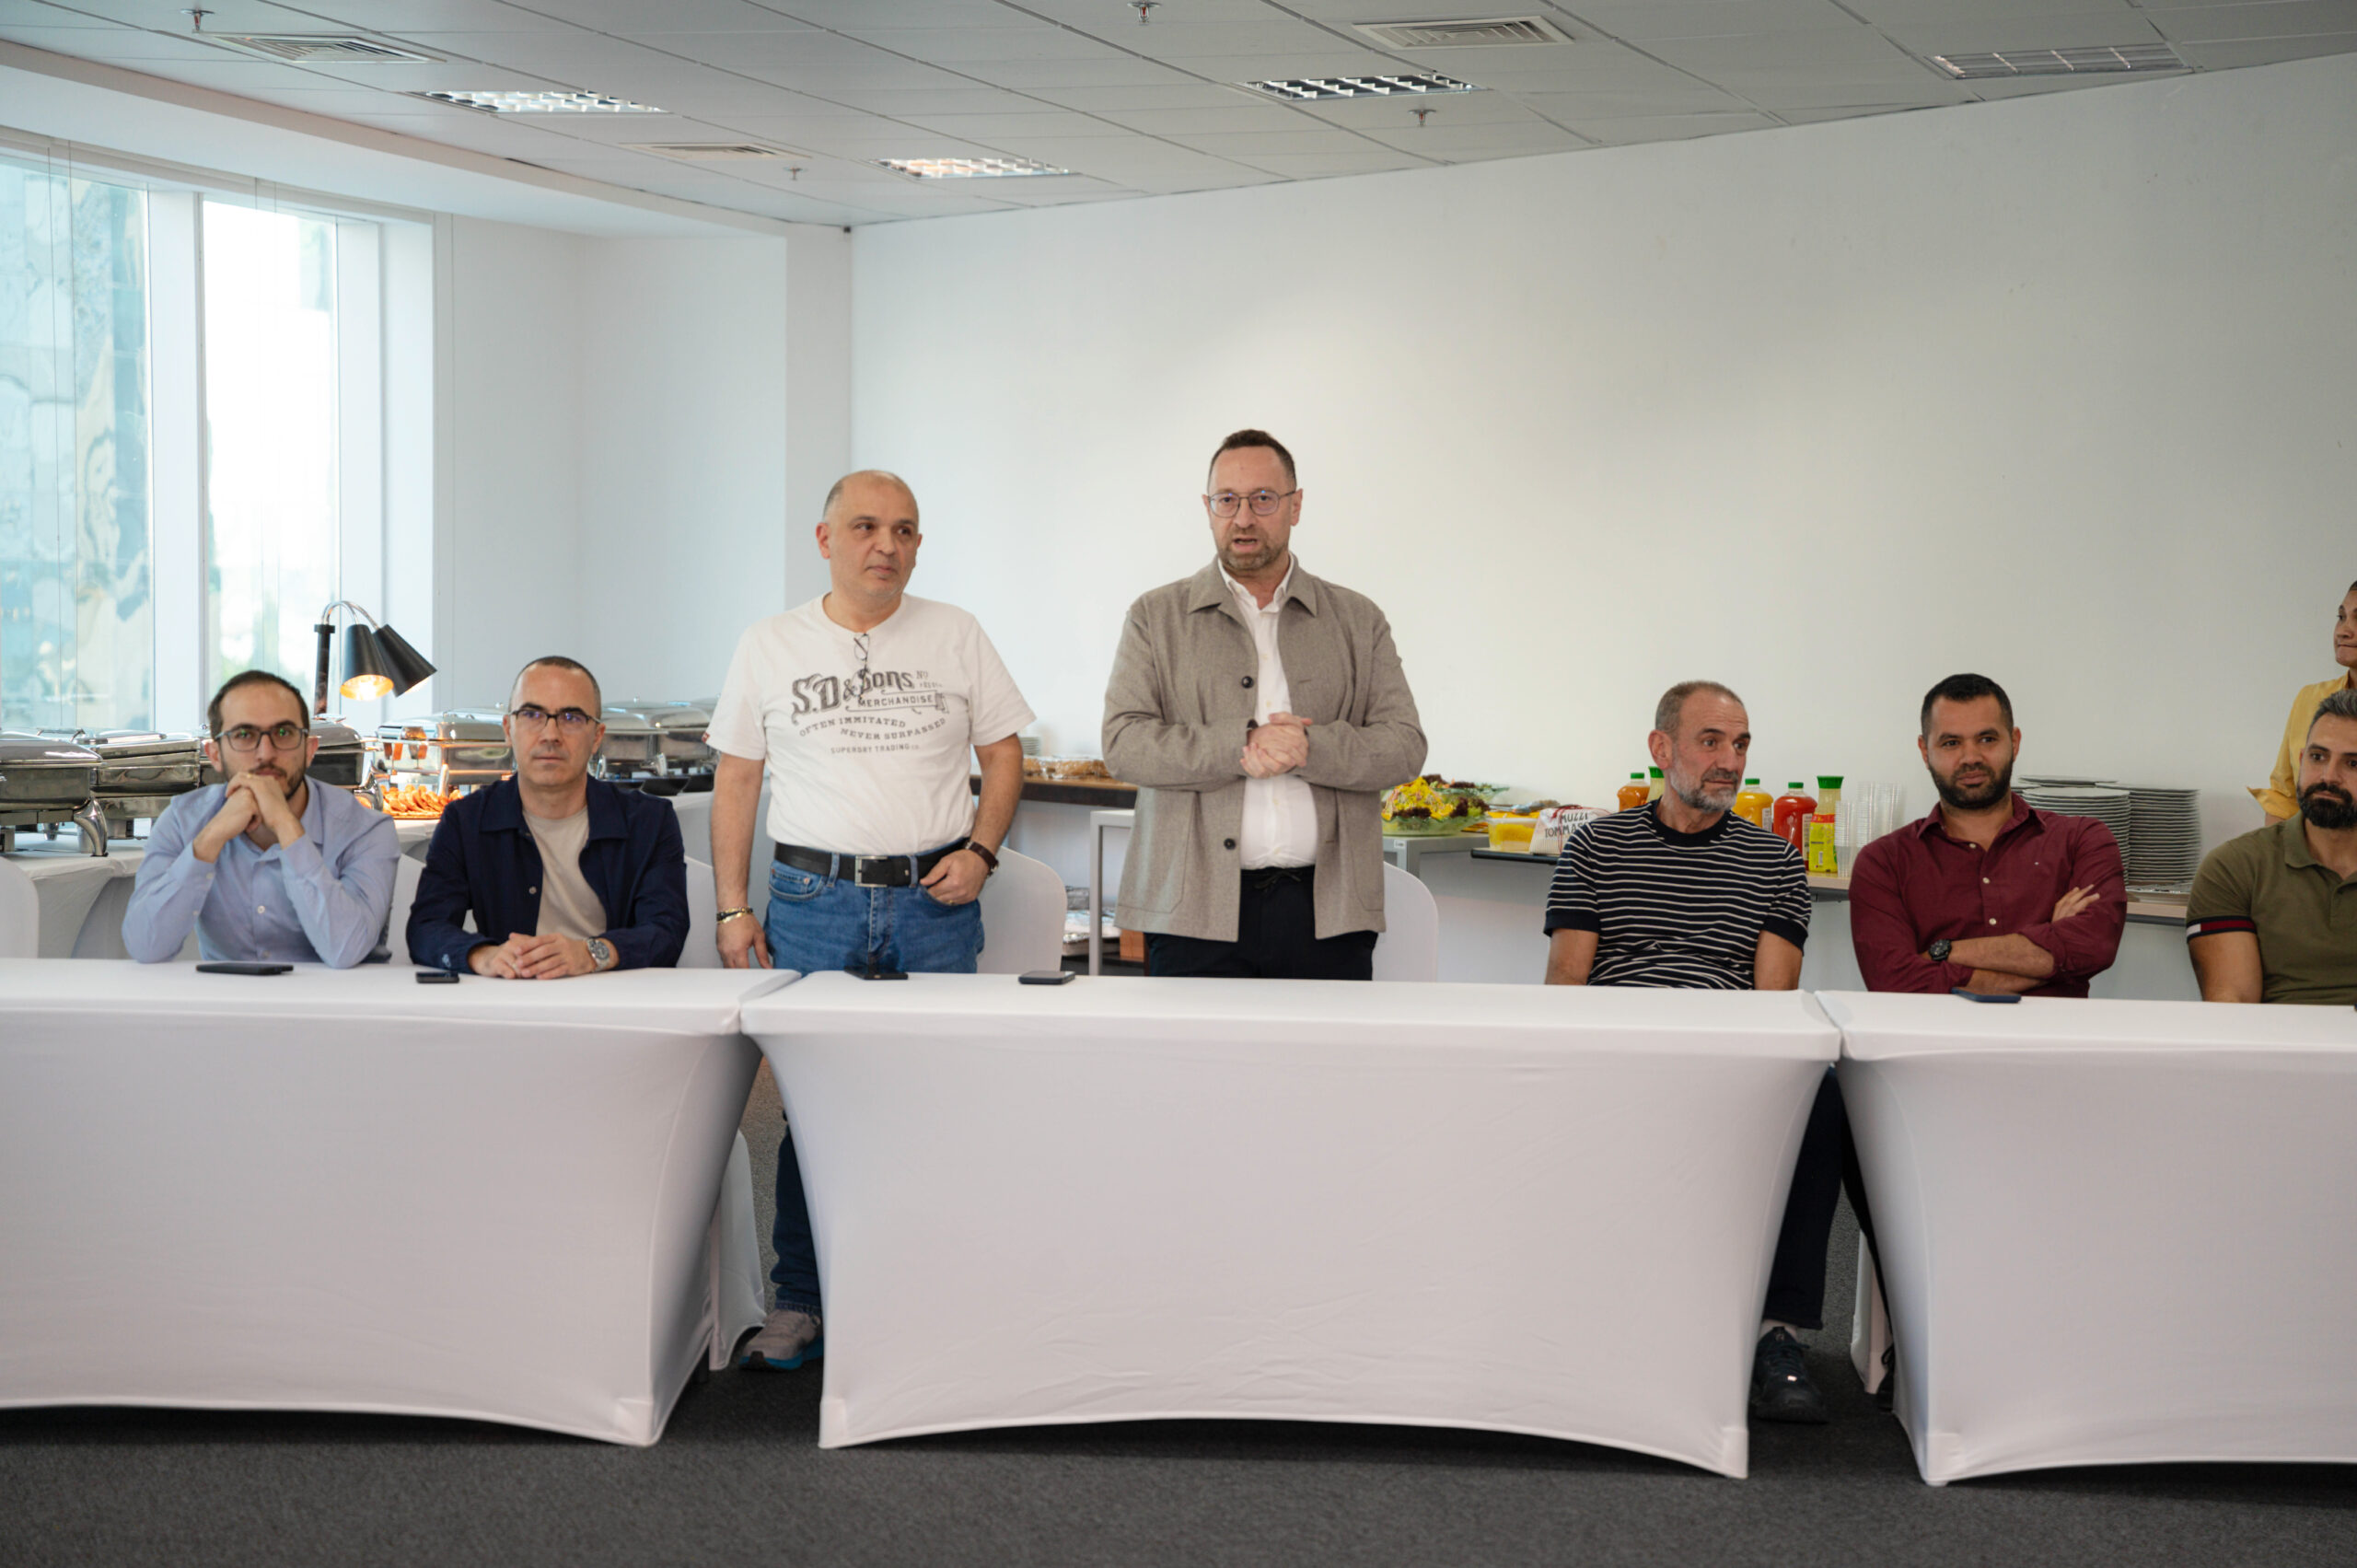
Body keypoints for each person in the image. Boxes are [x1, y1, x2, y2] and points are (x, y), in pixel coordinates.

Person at [708, 469, 1033, 1374]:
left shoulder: (956, 632)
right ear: (825, 539)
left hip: (933, 903)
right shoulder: (770, 644)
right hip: (813, 903)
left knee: (932, 1105)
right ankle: (801, 1300)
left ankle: (924, 1292)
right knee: (811, 1109)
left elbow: (1004, 752)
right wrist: (732, 905)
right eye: (864, 526)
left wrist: (983, 851)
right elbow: (737, 778)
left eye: (903, 529)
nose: (885, 544)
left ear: (918, 544)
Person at [1542, 680, 1853, 1424]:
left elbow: (1773, 1004)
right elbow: (1565, 986)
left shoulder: (1775, 861)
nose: (1729, 761)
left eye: (1740, 744)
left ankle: (1778, 1334)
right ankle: (1563, 1311)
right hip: (1620, 1050)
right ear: (1662, 747)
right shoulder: (1597, 846)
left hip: (1724, 1052)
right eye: (1710, 740)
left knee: (1823, 1098)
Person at [1102, 428, 1425, 979]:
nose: (1243, 517)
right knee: (1196, 1042)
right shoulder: (1155, 617)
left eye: (1263, 499)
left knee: (1325, 1041)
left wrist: (1309, 747)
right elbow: (1124, 744)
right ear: (1207, 508)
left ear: (1295, 506)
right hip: (1190, 912)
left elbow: (1404, 746)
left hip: (1328, 912)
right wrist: (1243, 742)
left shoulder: (1357, 618)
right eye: (1227, 500)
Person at [405, 656, 688, 979]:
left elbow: (667, 932)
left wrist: (591, 953)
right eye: (532, 715)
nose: (550, 734)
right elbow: (426, 928)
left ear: (597, 736)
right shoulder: (465, 821)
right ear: (508, 729)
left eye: (571, 717)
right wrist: (483, 956)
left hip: (612, 995)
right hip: (510, 993)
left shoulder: (649, 821)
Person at [1849, 674, 2126, 996]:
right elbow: (1893, 981)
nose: (1971, 758)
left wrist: (1943, 952)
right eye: (1951, 743)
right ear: (1925, 751)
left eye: (1987, 739)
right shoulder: (1884, 862)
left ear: (2015, 742)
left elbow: (2094, 946)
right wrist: (2052, 955)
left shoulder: (2082, 841)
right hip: (1933, 1032)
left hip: (2055, 1031)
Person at [123, 669, 398, 967]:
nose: (265, 754)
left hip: (336, 996)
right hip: (225, 995)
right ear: (214, 755)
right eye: (244, 735)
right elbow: (145, 946)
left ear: (310, 750)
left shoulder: (367, 830)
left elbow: (346, 950)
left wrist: (286, 825)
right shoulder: (182, 820)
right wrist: (211, 837)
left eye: (283, 733)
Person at [2189, 687, 2357, 1005]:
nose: (2328, 776)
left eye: (2353, 764)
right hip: (2274, 1036)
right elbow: (2233, 1003)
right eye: (2318, 757)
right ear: (2300, 760)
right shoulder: (2235, 867)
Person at [2252, 580, 2357, 822]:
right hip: (2307, 845)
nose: (2343, 631)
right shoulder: (2311, 699)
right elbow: (2284, 797)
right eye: (2341, 617)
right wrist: (2278, 847)